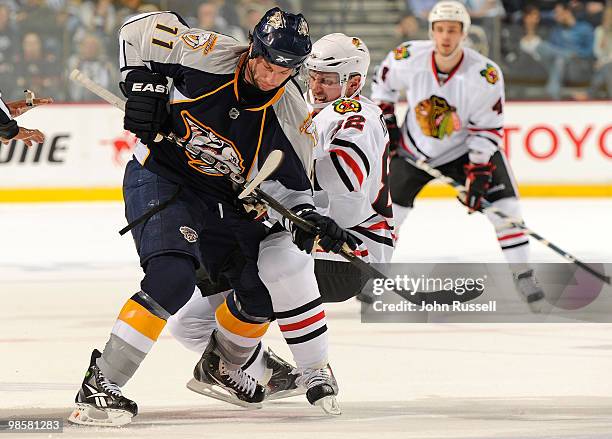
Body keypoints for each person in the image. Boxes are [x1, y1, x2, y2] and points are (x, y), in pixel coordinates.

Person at [69, 7, 357, 427]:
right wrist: (142, 84)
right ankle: (100, 384)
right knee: (171, 278)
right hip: (163, 176)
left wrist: (308, 219)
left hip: (224, 202)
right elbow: (140, 27)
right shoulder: (207, 53)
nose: (272, 75)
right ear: (254, 47)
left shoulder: (293, 117)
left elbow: (293, 191)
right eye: (268, 61)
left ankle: (227, 365)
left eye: (286, 69)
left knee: (262, 292)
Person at [167, 32, 394, 413]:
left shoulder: (357, 116)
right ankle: (264, 369)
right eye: (313, 76)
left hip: (348, 248)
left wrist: (260, 175)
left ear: (353, 82)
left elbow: (340, 175)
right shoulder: (295, 108)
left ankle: (315, 369)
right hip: (295, 234)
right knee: (187, 323)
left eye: (327, 79)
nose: (316, 86)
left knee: (279, 265)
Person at [370, 0, 545, 308]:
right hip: (413, 149)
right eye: (439, 30)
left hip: (464, 150)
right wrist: (389, 126)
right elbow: (382, 87)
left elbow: (488, 128)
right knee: (388, 217)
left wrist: (478, 171)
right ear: (431, 32)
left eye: (452, 30)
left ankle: (523, 273)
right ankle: (373, 274)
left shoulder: (484, 74)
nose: (446, 36)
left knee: (507, 208)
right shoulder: (408, 57)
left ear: (464, 33)